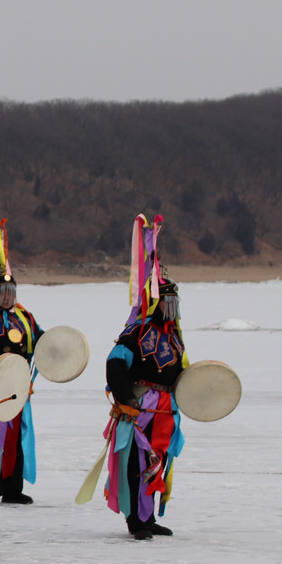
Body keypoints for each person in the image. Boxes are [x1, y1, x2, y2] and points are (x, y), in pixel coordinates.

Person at [102, 214, 187, 540]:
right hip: (142, 407)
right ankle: (136, 520)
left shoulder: (175, 336)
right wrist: (126, 399)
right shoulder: (135, 333)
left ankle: (148, 516)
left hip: (166, 408)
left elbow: (181, 372)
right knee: (138, 462)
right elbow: (114, 364)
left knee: (158, 460)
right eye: (168, 302)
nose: (173, 308)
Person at [0, 222, 43, 506]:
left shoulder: (24, 317)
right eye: (2, 293)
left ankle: (13, 487)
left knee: (15, 437)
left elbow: (40, 342)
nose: (8, 298)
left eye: (11, 292)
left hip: (17, 385)